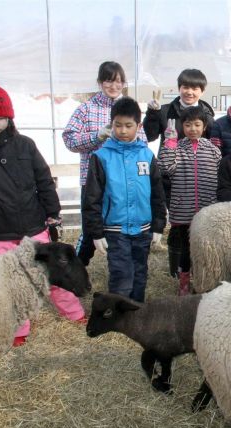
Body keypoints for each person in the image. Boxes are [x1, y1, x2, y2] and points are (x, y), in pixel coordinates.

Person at [0, 77, 86, 346]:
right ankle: (18, 328)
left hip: (33, 226)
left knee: (51, 273)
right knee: (8, 282)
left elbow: (43, 178)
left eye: (0, 117)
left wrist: (52, 211)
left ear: (9, 117)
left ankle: (73, 313)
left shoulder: (25, 145)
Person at [82, 97, 166, 303]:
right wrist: (96, 232)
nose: (123, 130)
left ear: (138, 126)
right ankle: (119, 315)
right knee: (121, 274)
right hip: (115, 230)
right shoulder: (101, 157)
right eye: (117, 125)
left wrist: (158, 226)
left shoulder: (146, 155)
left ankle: (136, 312)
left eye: (128, 126)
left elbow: (157, 192)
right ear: (111, 125)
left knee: (140, 272)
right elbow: (91, 198)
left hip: (143, 228)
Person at [63, 61, 145, 267]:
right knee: (91, 230)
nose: (113, 86)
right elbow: (69, 140)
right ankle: (77, 270)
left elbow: (142, 142)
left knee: (120, 230)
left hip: (124, 182)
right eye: (108, 80)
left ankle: (120, 272)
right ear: (100, 82)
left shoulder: (129, 107)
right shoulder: (86, 109)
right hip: (93, 181)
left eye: (118, 81)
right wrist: (97, 136)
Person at [143, 68, 216, 279]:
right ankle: (177, 272)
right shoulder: (166, 111)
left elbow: (213, 144)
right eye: (185, 87)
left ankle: (199, 267)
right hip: (170, 177)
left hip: (198, 178)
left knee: (200, 224)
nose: (189, 92)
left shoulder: (207, 114)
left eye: (195, 88)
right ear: (179, 88)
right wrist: (152, 114)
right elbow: (148, 136)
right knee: (177, 224)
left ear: (202, 91)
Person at [157, 106, 221, 295]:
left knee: (205, 250)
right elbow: (165, 167)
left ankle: (204, 282)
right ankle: (184, 284)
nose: (192, 128)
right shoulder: (176, 148)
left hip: (206, 212)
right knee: (184, 251)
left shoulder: (213, 150)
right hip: (182, 211)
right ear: (181, 126)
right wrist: (169, 143)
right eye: (187, 125)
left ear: (204, 126)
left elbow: (220, 175)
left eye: (197, 124)